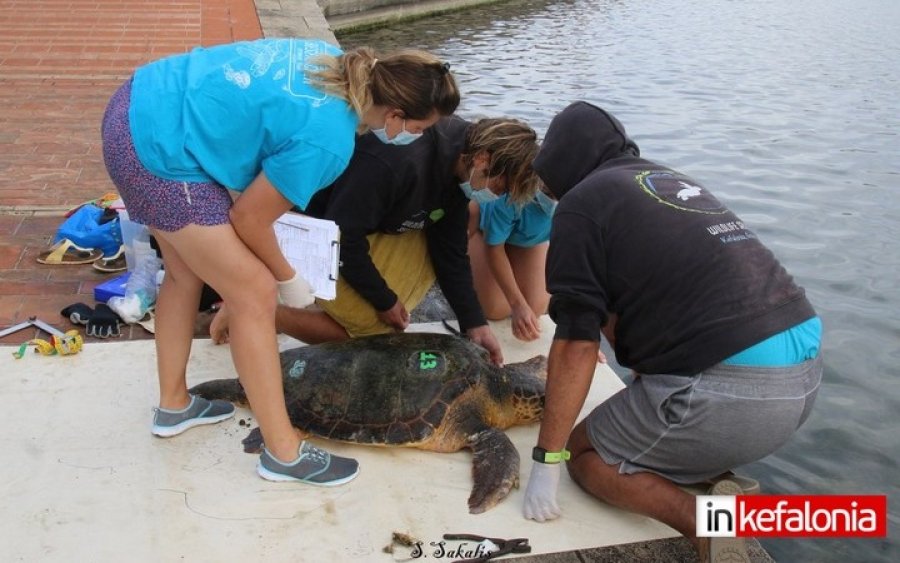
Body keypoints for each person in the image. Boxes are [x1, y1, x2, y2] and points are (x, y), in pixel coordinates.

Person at [101, 37, 460, 485]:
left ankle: (175, 405)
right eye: (420, 128)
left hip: (137, 104)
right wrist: (287, 278)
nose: (417, 138)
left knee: (183, 272)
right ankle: (283, 454)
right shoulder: (331, 141)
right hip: (157, 150)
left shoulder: (331, 61)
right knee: (253, 292)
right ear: (394, 116)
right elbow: (249, 218)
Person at [521, 102, 822, 562]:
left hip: (733, 393)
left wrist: (546, 460)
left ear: (562, 159)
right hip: (804, 376)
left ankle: (705, 527)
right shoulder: (660, 178)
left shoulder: (581, 205)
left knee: (586, 457)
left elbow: (577, 344)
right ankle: (711, 476)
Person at [210, 116, 541, 366]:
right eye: (500, 188)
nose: (495, 197)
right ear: (482, 159)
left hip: (369, 222)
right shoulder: (401, 162)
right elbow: (344, 234)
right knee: (366, 334)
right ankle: (255, 307)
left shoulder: (461, 165)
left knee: (451, 228)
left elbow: (451, 250)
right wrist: (383, 300)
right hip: (310, 225)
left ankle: (334, 307)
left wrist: (474, 323)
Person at [465, 181, 554, 342]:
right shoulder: (513, 191)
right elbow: (494, 248)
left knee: (536, 308)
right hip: (487, 232)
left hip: (528, 239)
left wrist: (579, 331)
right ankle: (470, 237)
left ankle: (516, 249)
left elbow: (575, 255)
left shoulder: (581, 202)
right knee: (495, 309)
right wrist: (517, 304)